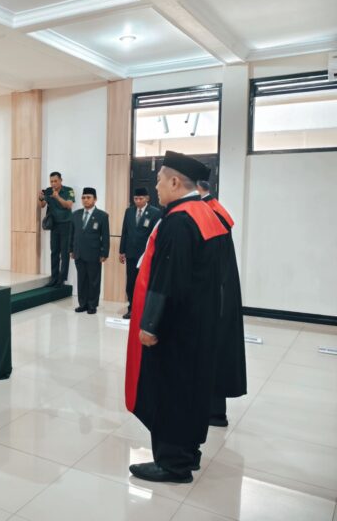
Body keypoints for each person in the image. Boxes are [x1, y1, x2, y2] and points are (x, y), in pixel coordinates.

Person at [125, 151, 229, 484]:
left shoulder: (179, 221)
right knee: (193, 390)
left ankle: (172, 463)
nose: (155, 187)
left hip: (176, 330)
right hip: (200, 325)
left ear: (173, 182)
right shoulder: (206, 213)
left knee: (171, 391)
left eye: (158, 180)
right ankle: (188, 453)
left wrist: (150, 325)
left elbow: (167, 279)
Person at [197, 179, 247, 427]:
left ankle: (213, 412)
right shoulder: (215, 209)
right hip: (221, 290)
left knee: (211, 351)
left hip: (213, 293)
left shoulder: (209, 213)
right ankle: (214, 410)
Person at [119, 187, 161, 319]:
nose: (138, 201)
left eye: (140, 198)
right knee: (131, 283)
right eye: (135, 198)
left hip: (145, 256)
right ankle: (131, 309)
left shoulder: (155, 213)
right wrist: (122, 251)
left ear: (147, 198)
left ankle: (145, 311)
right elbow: (125, 232)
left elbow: (155, 236)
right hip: (131, 254)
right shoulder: (129, 211)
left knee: (144, 283)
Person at [69, 187, 109, 314]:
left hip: (94, 254)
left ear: (95, 199)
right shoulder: (75, 215)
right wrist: (71, 249)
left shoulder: (102, 216)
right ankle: (83, 304)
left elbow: (105, 236)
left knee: (93, 280)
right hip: (79, 253)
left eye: (88, 197)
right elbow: (71, 234)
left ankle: (92, 305)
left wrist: (104, 253)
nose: (85, 200)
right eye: (83, 197)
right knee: (82, 280)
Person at [39, 172, 75, 287]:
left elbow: (68, 205)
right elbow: (42, 205)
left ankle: (62, 279)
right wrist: (40, 198)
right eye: (51, 181)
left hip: (66, 224)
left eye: (55, 181)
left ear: (60, 180)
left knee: (64, 253)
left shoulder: (69, 190)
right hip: (54, 225)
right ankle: (54, 278)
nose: (53, 183)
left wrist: (57, 197)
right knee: (54, 252)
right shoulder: (48, 191)